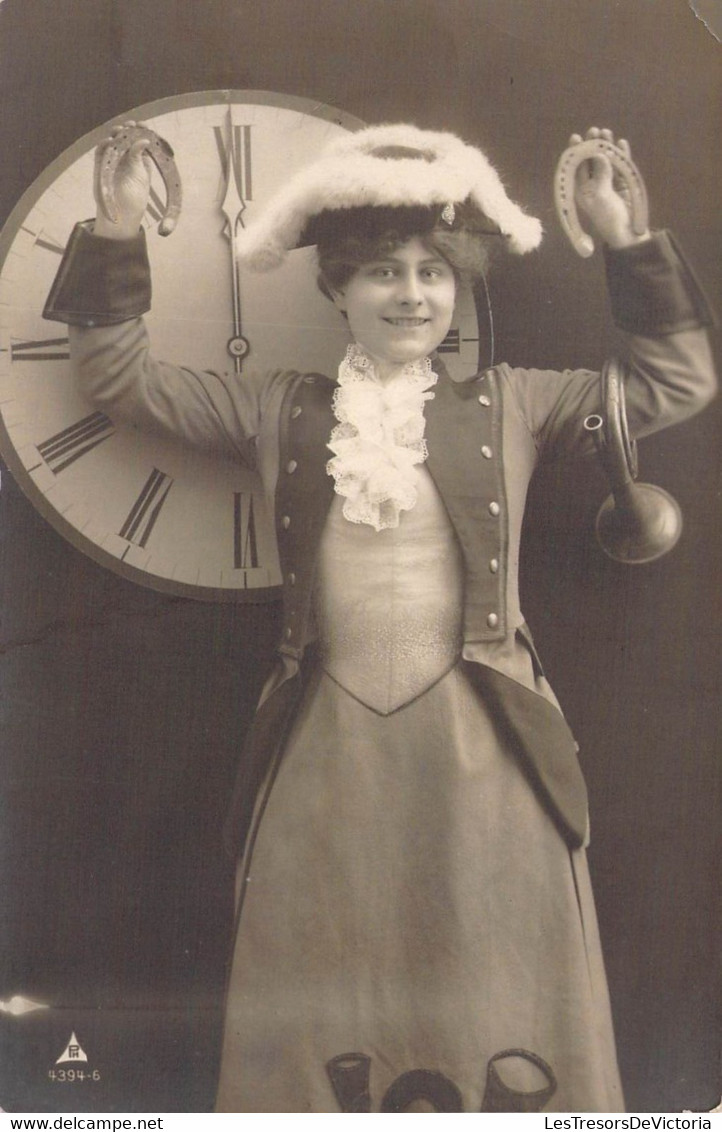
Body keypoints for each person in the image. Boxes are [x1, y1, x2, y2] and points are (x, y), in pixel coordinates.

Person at [43, 121, 716, 1113]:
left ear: (460, 289)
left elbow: (675, 383)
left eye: (433, 274)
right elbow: (117, 381)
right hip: (325, 748)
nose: (411, 295)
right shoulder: (277, 409)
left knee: (498, 986)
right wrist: (114, 226)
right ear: (336, 291)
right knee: (322, 995)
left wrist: (626, 237)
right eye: (383, 275)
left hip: (486, 749)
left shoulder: (515, 404)